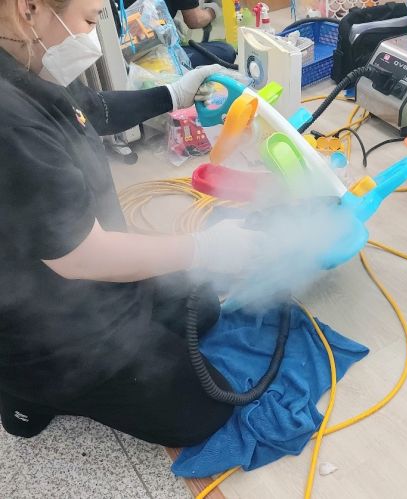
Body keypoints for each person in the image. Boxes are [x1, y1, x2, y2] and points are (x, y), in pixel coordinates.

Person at [0, 0, 265, 446]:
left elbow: (87, 109)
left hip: (82, 281)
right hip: (46, 328)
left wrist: (173, 95)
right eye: (89, 19)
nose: (90, 35)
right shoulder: (10, 125)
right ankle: (32, 394)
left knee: (202, 307)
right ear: (29, 9)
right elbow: (81, 257)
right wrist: (203, 247)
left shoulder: (25, 59)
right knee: (203, 411)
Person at [123, 0, 236, 68]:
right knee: (226, 51)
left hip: (119, 47)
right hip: (144, 54)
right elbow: (196, 20)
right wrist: (215, 8)